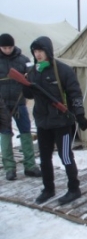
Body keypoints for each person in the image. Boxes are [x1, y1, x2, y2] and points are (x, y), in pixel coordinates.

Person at [22, 36, 87, 205]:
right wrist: (24, 85)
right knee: (44, 158)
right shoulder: (33, 72)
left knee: (65, 156)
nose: (37, 54)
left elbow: (75, 93)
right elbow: (30, 95)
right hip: (42, 122)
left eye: (40, 51)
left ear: (48, 51)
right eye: (35, 51)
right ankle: (48, 188)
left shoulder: (63, 70)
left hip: (62, 122)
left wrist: (80, 114)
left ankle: (74, 189)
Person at [0, 33, 42, 181]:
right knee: (5, 135)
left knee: (25, 133)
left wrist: (28, 76)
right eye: (4, 47)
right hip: (2, 104)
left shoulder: (23, 60)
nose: (7, 50)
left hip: (20, 102)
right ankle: (9, 168)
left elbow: (33, 75)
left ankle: (30, 166)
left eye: (9, 47)